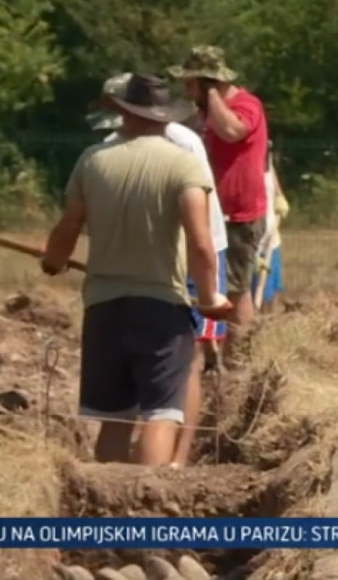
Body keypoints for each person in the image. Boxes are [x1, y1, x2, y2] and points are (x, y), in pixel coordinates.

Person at [41, 74, 232, 467]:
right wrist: (211, 297)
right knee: (161, 416)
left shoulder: (92, 161)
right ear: (165, 117)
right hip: (161, 307)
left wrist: (53, 261)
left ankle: (109, 509)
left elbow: (67, 228)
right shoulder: (184, 165)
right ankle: (146, 513)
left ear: (124, 113)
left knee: (113, 420)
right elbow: (201, 243)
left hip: (104, 308)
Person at [168, 46, 269, 360]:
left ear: (208, 83)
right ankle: (210, 357)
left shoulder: (246, 106)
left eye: (191, 83)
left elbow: (231, 131)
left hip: (238, 217)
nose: (186, 90)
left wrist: (211, 95)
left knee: (236, 293)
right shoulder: (202, 113)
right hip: (211, 216)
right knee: (205, 287)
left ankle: (239, 363)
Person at [252, 141, 289, 313]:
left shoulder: (265, 155)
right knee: (252, 298)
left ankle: (269, 329)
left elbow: (271, 172)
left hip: (270, 237)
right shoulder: (242, 165)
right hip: (252, 244)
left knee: (273, 293)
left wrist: (279, 195)